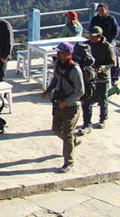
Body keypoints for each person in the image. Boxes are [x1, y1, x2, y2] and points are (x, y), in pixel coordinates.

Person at [41, 42, 84, 173]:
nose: (58, 54)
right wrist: (48, 90)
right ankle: (73, 141)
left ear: (68, 54)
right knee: (56, 128)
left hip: (71, 107)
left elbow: (81, 91)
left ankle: (68, 162)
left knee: (67, 133)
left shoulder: (75, 70)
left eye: (61, 52)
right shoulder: (57, 65)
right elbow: (56, 79)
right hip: (58, 103)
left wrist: (66, 102)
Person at [81, 26, 116, 131]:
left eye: (93, 36)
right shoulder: (86, 45)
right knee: (87, 99)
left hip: (102, 77)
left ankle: (103, 119)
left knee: (103, 98)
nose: (91, 37)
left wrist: (102, 68)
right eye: (90, 35)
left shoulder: (107, 47)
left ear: (100, 36)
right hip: (89, 76)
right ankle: (87, 123)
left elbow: (112, 62)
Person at [88, 2, 120, 89]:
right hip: (98, 42)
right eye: (99, 10)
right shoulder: (95, 19)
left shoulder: (111, 19)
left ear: (106, 10)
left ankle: (114, 79)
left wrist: (111, 40)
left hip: (110, 42)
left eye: (102, 10)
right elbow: (91, 30)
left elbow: (116, 30)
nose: (101, 12)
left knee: (113, 59)